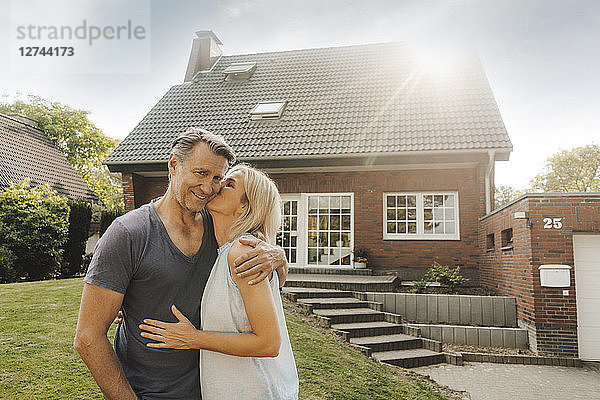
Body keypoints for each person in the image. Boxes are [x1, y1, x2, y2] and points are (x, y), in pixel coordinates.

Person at [74, 128, 288, 400]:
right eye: (200, 173)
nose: (209, 188)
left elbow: (263, 287)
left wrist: (279, 257)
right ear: (174, 164)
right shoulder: (128, 233)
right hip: (149, 391)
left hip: (213, 390)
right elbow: (88, 337)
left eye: (218, 179)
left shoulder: (221, 229)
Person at [138, 164, 299, 399]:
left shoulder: (243, 251)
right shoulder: (221, 251)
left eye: (229, 185)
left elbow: (269, 343)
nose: (217, 187)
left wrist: (193, 339)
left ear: (245, 206)